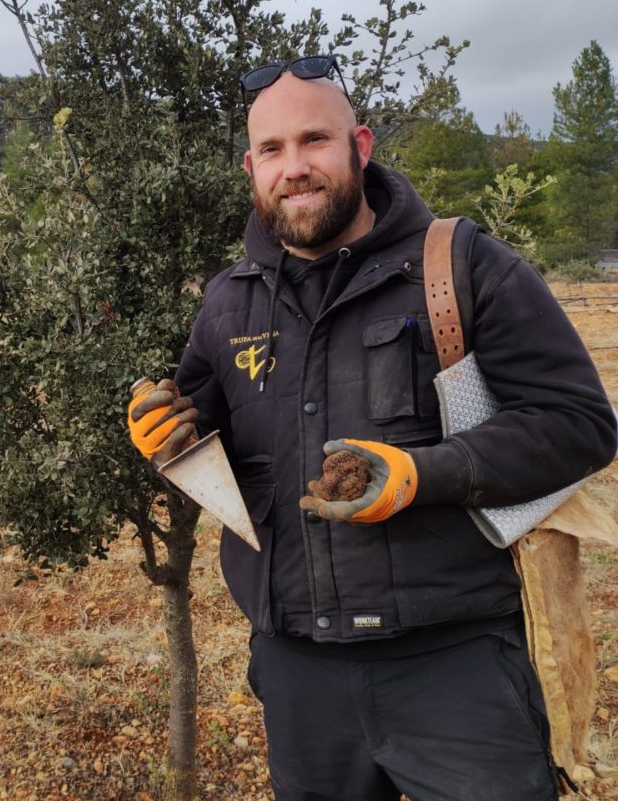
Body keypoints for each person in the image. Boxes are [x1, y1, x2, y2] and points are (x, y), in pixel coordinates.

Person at [127, 56, 617, 801]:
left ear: (360, 145)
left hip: (455, 667)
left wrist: (425, 475)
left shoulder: (461, 266)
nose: (295, 167)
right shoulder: (228, 305)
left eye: (314, 141)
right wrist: (159, 427)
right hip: (298, 675)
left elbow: (580, 424)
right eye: (272, 150)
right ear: (250, 168)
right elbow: (197, 428)